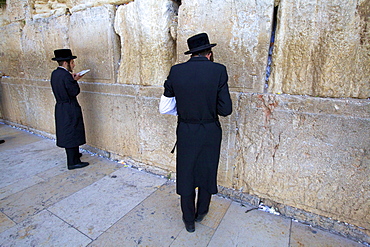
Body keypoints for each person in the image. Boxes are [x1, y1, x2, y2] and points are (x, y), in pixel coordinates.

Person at [159, 33, 232, 232]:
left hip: (186, 131)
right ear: (209, 53)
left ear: (191, 53)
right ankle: (202, 212)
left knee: (186, 173)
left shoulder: (176, 71)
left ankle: (188, 220)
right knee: (207, 172)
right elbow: (226, 110)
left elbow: (164, 107)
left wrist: (185, 113)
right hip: (210, 131)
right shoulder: (219, 70)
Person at [51, 49, 89, 170]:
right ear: (66, 63)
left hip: (61, 107)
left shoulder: (55, 74)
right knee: (71, 131)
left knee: (69, 130)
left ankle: (75, 155)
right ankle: (73, 162)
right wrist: (75, 81)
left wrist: (71, 79)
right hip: (69, 106)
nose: (73, 65)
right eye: (72, 62)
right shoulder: (66, 76)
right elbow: (73, 92)